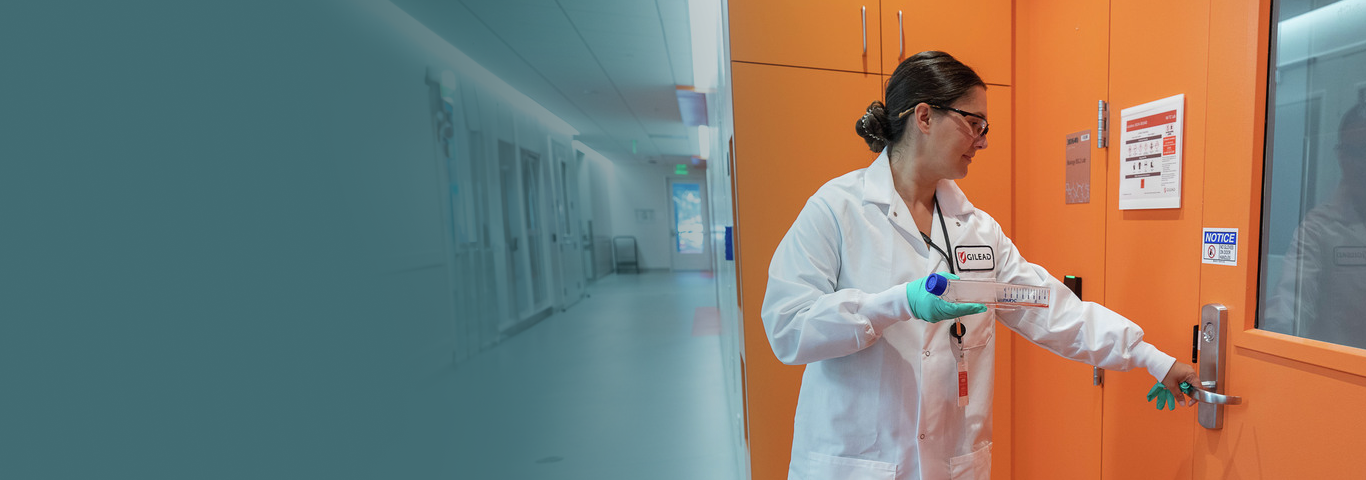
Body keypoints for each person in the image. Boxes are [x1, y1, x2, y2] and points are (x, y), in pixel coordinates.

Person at [760, 51, 1199, 480]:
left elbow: (1049, 308)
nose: (984, 140)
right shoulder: (837, 210)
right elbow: (787, 326)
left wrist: (1150, 356)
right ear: (925, 117)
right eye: (974, 123)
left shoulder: (976, 230)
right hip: (858, 463)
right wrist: (897, 304)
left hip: (950, 463)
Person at [1262, 100, 1366, 348]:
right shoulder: (1319, 229)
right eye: (1354, 152)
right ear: (1341, 156)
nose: (1361, 164)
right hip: (1341, 376)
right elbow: (1288, 310)